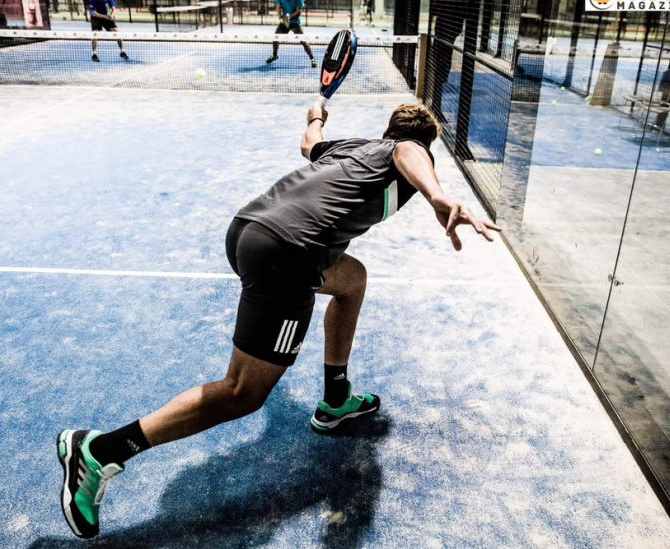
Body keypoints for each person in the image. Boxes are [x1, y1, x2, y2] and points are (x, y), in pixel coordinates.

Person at [55, 102, 501, 539]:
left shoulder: (351, 147)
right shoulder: (407, 150)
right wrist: (439, 195)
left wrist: (316, 114)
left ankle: (336, 397)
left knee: (351, 279)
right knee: (242, 393)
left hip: (248, 231)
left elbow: (310, 143)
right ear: (427, 145)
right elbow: (410, 152)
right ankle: (101, 450)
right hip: (288, 256)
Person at [265, 0, 316, 67]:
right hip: (284, 23)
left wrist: (289, 17)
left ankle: (312, 58)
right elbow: (278, 7)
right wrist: (280, 18)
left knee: (303, 41)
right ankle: (274, 55)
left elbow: (298, 10)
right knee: (275, 38)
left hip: (295, 22)